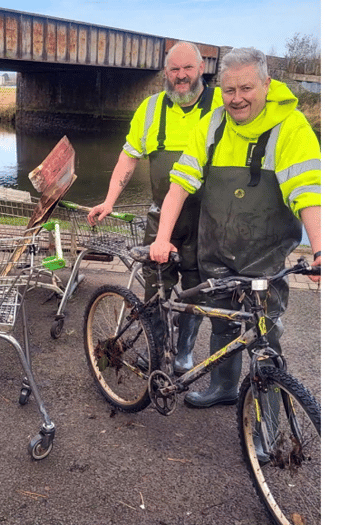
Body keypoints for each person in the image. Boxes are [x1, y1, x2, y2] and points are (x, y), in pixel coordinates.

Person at [150, 47, 321, 408]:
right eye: (229, 90)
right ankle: (223, 388)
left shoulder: (291, 127)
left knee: (265, 341)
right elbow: (179, 185)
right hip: (217, 250)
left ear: (266, 84)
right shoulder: (212, 124)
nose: (237, 99)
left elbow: (307, 191)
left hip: (265, 259)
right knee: (223, 326)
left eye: (247, 89)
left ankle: (267, 430)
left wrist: (320, 249)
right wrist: (162, 237)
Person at [88, 41, 223, 374]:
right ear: (166, 72)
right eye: (174, 69)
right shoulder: (150, 108)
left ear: (201, 68)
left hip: (207, 221)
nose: (181, 76)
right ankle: (157, 348)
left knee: (195, 289)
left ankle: (184, 353)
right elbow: (128, 157)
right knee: (154, 288)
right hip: (160, 217)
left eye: (187, 68)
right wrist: (109, 200)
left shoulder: (223, 105)